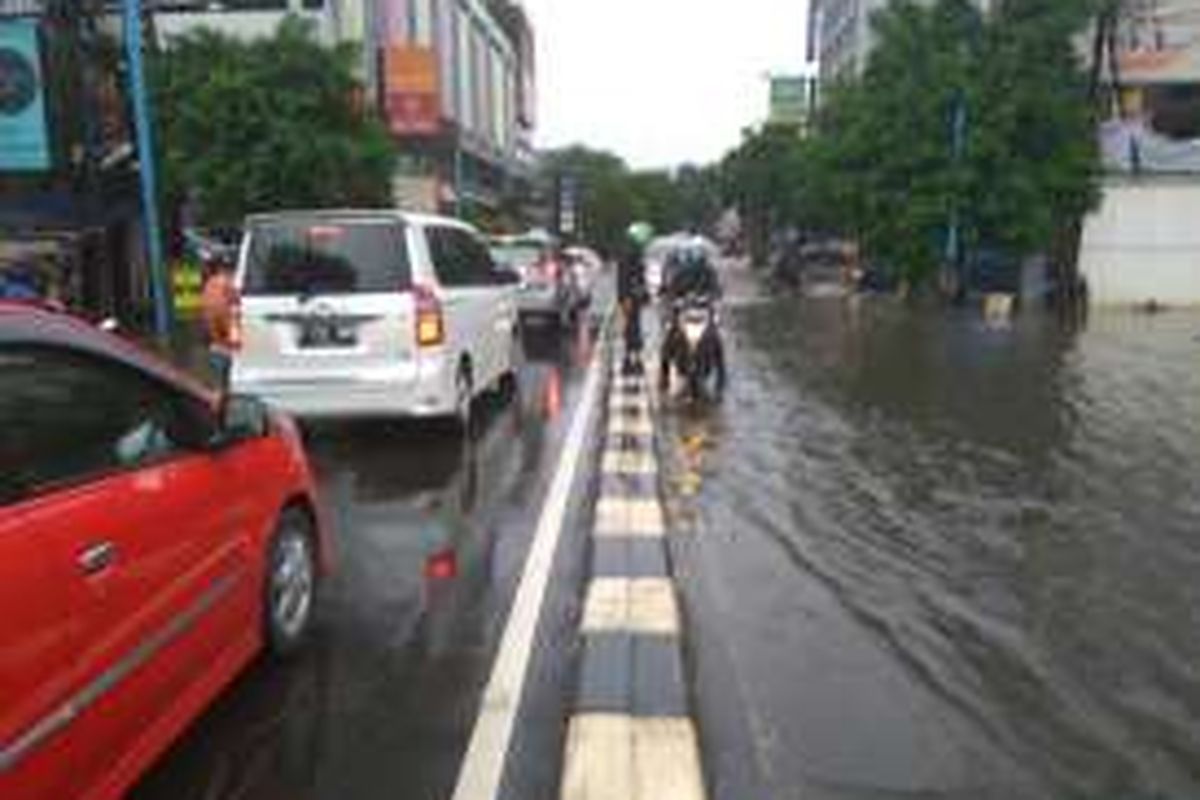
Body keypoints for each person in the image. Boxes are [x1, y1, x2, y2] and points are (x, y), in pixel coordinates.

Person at [616, 222, 652, 375]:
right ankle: (630, 361)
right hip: (630, 297)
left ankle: (632, 359)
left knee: (633, 327)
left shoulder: (635, 254)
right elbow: (625, 279)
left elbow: (640, 279)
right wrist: (625, 297)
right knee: (631, 328)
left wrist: (645, 295)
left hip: (633, 297)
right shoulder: (629, 255)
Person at [199, 252, 239, 389]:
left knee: (219, 381)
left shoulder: (209, 285)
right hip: (226, 338)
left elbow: (209, 313)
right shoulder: (230, 283)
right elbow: (231, 311)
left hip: (216, 340)